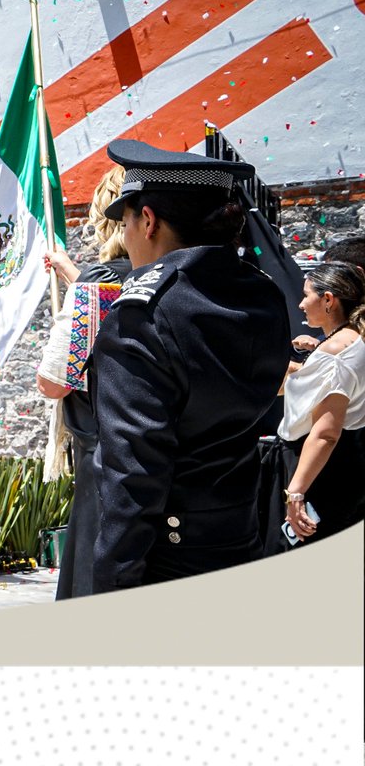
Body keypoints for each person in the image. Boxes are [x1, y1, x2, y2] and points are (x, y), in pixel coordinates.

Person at [87, 139, 291, 593]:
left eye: (125, 222)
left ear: (148, 220)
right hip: (240, 534)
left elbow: (133, 479)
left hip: (166, 556)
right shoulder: (263, 294)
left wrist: (110, 586)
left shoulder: (143, 312)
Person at [35, 166, 133, 600]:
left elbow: (54, 382)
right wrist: (72, 274)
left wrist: (78, 283)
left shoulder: (98, 285)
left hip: (103, 461)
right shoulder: (169, 275)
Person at [275, 262, 365, 546]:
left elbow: (326, 433)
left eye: (306, 295)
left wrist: (296, 493)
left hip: (319, 468)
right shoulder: (352, 339)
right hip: (346, 460)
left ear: (328, 300)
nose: (301, 304)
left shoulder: (336, 352)